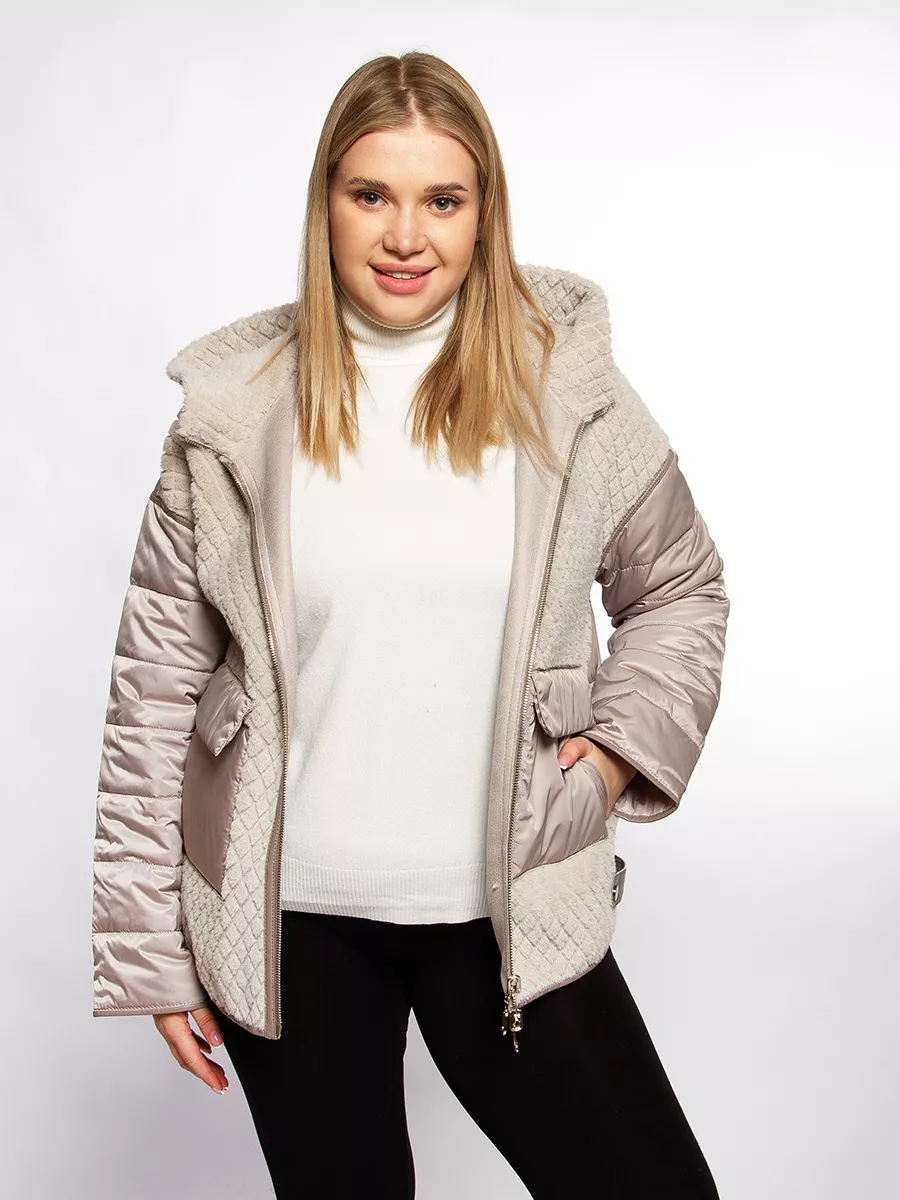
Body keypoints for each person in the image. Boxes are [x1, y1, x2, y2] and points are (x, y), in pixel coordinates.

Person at [91, 50, 729, 1199]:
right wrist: (150, 956)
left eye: (442, 200)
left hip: (510, 910)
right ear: (325, 203)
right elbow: (155, 691)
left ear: (485, 212)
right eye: (370, 194)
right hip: (290, 929)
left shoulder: (566, 391)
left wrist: (616, 750)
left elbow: (680, 588)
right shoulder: (235, 416)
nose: (404, 236)